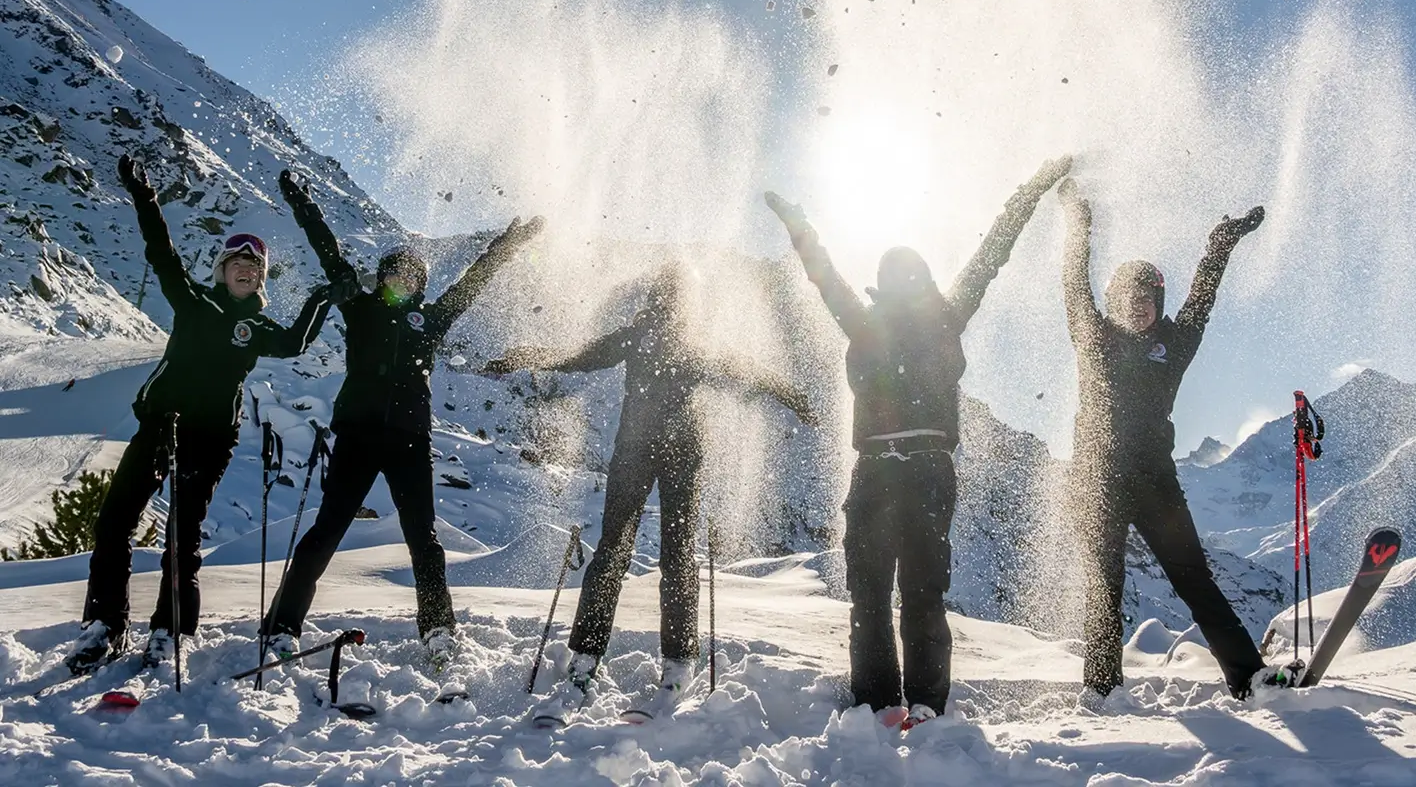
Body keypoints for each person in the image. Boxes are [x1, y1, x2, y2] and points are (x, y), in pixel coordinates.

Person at [764, 156, 1071, 729]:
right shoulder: (871, 322)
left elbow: (992, 254)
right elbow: (823, 274)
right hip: (878, 471)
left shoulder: (939, 317)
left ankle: (924, 705)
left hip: (925, 469)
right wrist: (797, 223)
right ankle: (880, 706)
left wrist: (1029, 191)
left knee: (921, 593)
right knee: (872, 595)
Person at [485, 265, 816, 720]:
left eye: (673, 298)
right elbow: (583, 356)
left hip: (672, 452)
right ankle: (593, 658)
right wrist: (530, 355)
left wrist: (791, 395)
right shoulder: (639, 334)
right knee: (620, 550)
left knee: (664, 553)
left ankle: (671, 660)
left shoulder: (683, 339)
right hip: (638, 451)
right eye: (665, 297)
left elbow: (746, 373)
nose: (668, 305)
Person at [67, 156, 342, 674]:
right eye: (238, 260)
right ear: (222, 269)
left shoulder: (256, 329)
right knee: (114, 523)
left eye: (256, 265)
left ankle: (169, 632)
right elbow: (161, 252)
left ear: (260, 279)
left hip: (212, 436)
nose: (246, 267)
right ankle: (104, 625)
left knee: (183, 536)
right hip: (161, 424)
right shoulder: (194, 303)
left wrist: (320, 301)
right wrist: (144, 197)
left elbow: (296, 342)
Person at [262, 170, 544, 664]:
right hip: (358, 434)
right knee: (327, 529)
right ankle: (282, 626)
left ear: (420, 286)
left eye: (413, 277)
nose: (403, 282)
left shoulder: (430, 319)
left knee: (423, 538)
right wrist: (302, 204)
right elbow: (330, 255)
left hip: (410, 440)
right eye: (395, 273)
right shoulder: (362, 309)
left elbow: (473, 282)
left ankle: (437, 628)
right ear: (384, 276)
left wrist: (510, 242)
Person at [1058, 176, 1269, 701]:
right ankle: (1103, 691)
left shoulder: (1173, 345)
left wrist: (1220, 244)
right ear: (1112, 302)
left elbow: (1202, 299)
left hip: (1156, 480)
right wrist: (1079, 223)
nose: (1139, 306)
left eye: (1149, 298)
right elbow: (1072, 281)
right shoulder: (1092, 335)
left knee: (1194, 577)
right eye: (1128, 297)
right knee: (1103, 588)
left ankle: (1249, 676)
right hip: (1097, 480)